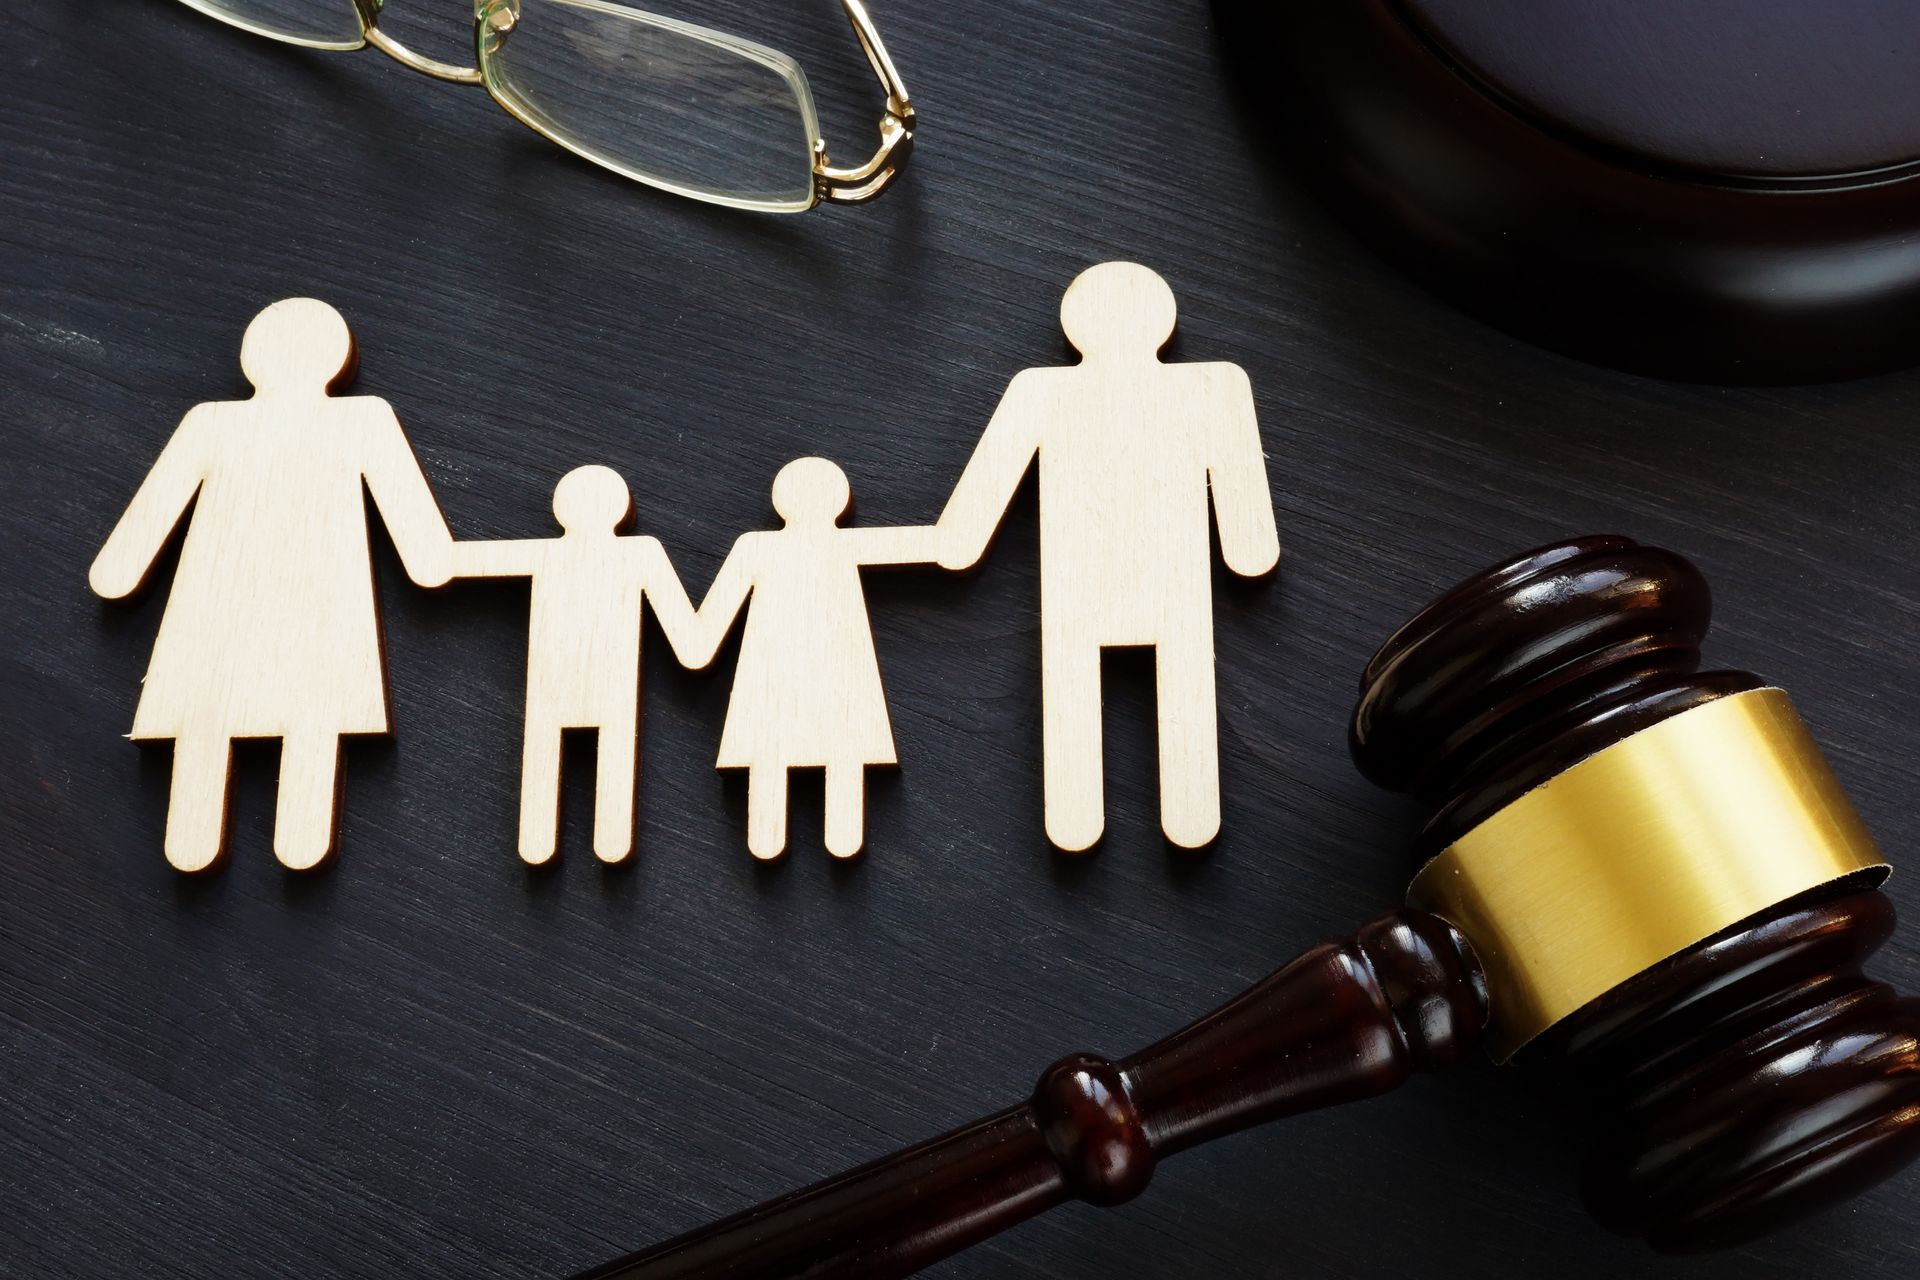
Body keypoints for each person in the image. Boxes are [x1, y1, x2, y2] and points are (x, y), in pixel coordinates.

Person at [88, 298, 457, 871]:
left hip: (212, 615)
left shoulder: (212, 423)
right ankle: (297, 841)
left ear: (251, 359)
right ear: (336, 359)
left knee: (204, 722)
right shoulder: (362, 420)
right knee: (312, 723)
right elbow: (426, 556)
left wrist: (119, 570)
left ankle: (198, 839)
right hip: (324, 613)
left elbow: (130, 548)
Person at [936, 262, 1280, 852]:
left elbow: (966, 530)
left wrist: (911, 547)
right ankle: (1186, 817)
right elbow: (1251, 543)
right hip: (1173, 581)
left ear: (1075, 325)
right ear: (1161, 320)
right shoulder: (1214, 387)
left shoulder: (1040, 391)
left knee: (1071, 693)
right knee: (1183, 686)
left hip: (1078, 583)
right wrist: (1244, 551)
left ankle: (1077, 821)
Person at [679, 457, 937, 860]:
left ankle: (771, 839)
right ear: (837, 500)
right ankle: (833, 837)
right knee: (840, 754)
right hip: (834, 680)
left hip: (772, 679)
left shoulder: (756, 547)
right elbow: (940, 545)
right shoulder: (840, 544)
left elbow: (703, 634)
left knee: (776, 755)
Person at [450, 465, 700, 865]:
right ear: (619, 509)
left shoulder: (546, 552)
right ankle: (606, 843)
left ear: (561, 509)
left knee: (545, 753)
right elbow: (690, 641)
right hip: (610, 683)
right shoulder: (640, 553)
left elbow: (449, 562)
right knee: (611, 753)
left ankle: (541, 842)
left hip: (555, 682)